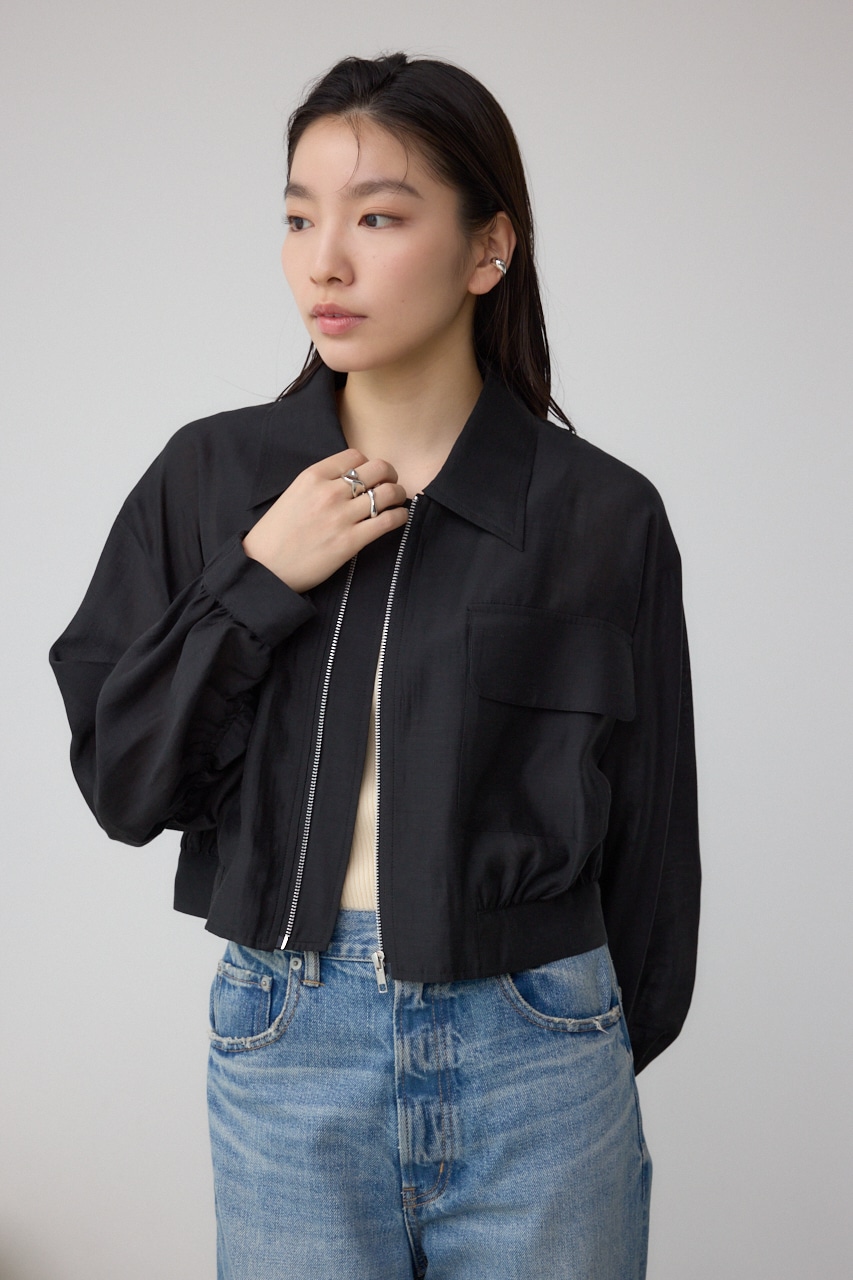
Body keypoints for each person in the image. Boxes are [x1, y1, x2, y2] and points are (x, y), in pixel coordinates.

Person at [50, 53, 700, 1280]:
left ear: (487, 248)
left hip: (540, 1049)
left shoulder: (603, 516)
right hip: (288, 1043)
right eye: (299, 217)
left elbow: (655, 842)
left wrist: (582, 1043)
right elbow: (125, 781)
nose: (324, 262)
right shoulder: (210, 480)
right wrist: (258, 578)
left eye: (379, 217)